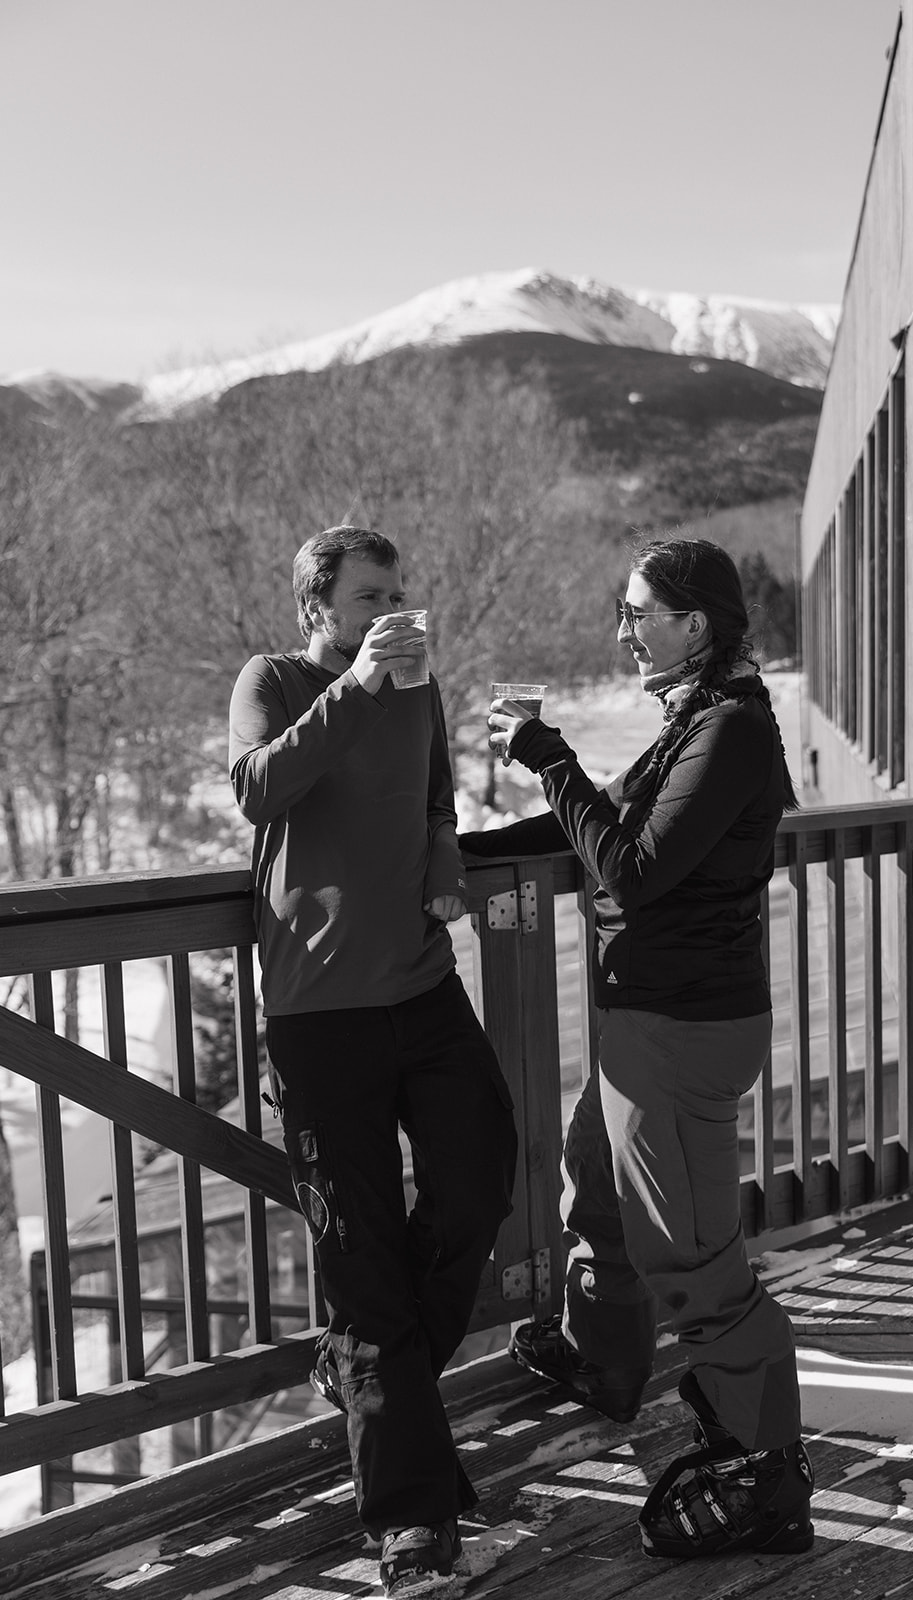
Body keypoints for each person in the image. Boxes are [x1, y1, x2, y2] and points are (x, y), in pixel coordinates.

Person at [458, 537, 813, 1563]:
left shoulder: (732, 731)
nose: (623, 630)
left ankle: (767, 1474)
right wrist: (455, 853)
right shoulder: (695, 722)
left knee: (695, 1265)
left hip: (682, 1027)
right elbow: (599, 828)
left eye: (637, 612)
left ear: (693, 623)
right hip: (647, 1018)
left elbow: (634, 869)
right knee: (593, 1186)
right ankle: (602, 1358)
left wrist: (547, 752)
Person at [228, 525, 517, 1595]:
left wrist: (443, 865)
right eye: (369, 594)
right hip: (319, 1009)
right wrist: (351, 683)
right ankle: (410, 1518)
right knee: (359, 1254)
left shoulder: (417, 689)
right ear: (320, 605)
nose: (391, 606)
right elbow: (259, 788)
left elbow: (435, 800)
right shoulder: (274, 678)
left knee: (482, 1173)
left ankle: (365, 1377)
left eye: (398, 590)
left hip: (420, 981)